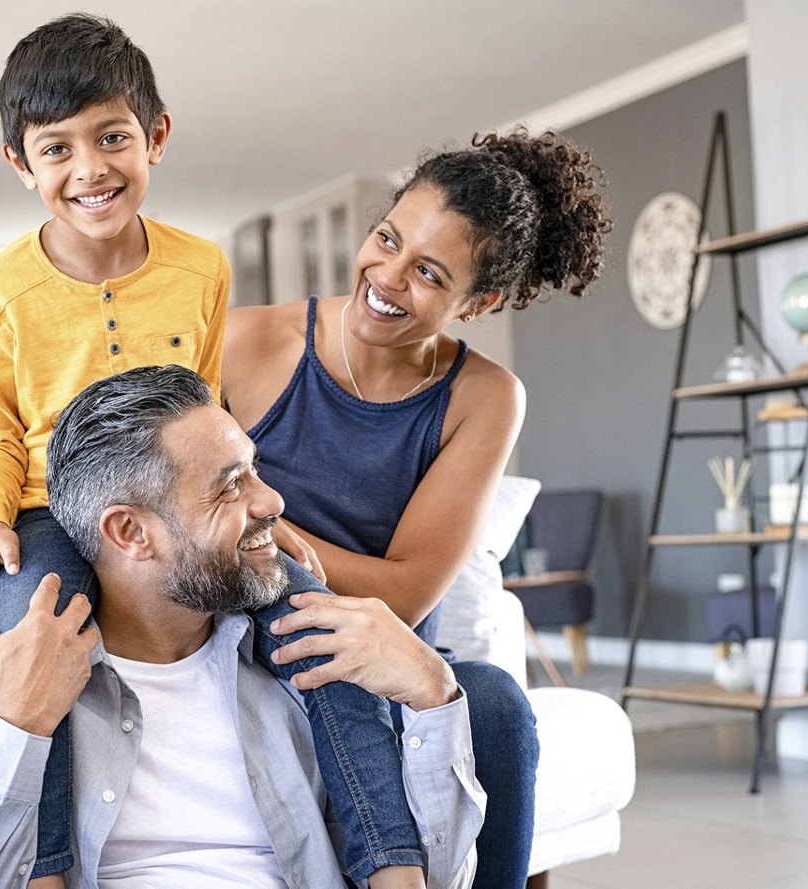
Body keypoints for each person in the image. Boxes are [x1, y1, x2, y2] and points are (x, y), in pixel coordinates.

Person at [0, 14, 437, 886]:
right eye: (56, 149)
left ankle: (392, 861)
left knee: (310, 610)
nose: (90, 169)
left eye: (112, 138)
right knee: (37, 630)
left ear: (157, 136)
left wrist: (252, 514)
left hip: (179, 503)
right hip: (47, 504)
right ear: (20, 164)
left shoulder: (202, 267)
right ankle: (48, 869)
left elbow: (208, 411)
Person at [0, 366, 485, 888]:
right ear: (129, 532)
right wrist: (17, 726)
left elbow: (438, 880)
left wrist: (432, 689)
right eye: (230, 486)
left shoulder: (310, 655)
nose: (273, 502)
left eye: (255, 471)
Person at [222, 129, 612, 888]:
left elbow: (402, 593)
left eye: (428, 273)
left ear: (481, 301)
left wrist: (262, 522)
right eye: (387, 238)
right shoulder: (246, 341)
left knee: (497, 702)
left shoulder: (485, 396)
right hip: (258, 638)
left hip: (396, 659)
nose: (387, 276)